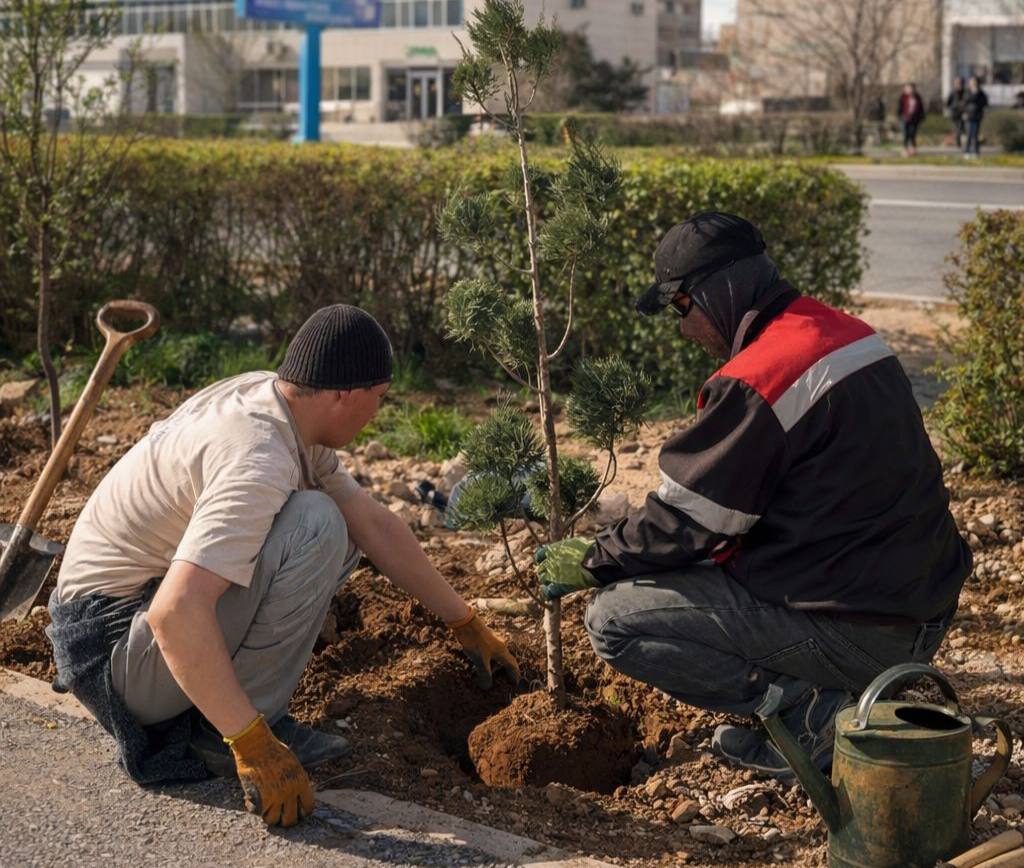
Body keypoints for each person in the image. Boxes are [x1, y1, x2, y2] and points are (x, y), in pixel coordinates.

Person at [46, 304, 521, 827]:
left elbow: (373, 523)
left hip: (128, 621)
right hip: (112, 652)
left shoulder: (278, 404)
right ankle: (229, 732)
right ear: (345, 394)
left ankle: (232, 713)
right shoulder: (259, 458)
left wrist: (463, 619)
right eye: (379, 397)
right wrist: (250, 741)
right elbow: (174, 614)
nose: (377, 413)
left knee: (340, 525)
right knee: (315, 525)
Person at [534, 212, 971, 780]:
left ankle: (812, 719)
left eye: (681, 307)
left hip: (868, 633)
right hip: (922, 609)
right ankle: (836, 690)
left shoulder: (763, 378)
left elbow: (687, 523)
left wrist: (597, 559)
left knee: (615, 619)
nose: (684, 330)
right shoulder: (849, 334)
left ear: (719, 290)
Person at [962, 76, 989, 158]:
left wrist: (983, 112)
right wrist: (964, 113)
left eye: (974, 82)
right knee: (969, 134)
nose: (972, 83)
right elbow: (964, 103)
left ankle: (976, 151)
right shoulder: (967, 92)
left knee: (975, 135)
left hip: (977, 116)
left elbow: (985, 103)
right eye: (971, 82)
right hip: (969, 116)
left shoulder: (981, 93)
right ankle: (967, 151)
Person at [897, 82, 926, 156]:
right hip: (905, 118)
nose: (909, 90)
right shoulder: (902, 97)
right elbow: (899, 109)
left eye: (911, 88)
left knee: (912, 134)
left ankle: (913, 149)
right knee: (905, 134)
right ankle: (905, 149)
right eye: (907, 88)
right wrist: (900, 117)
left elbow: (921, 109)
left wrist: (922, 118)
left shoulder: (917, 97)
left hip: (915, 119)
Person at [946, 77, 966, 148]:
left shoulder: (965, 92)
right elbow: (948, 103)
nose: (959, 85)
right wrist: (952, 108)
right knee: (956, 128)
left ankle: (959, 141)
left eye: (960, 83)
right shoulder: (952, 92)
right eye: (957, 83)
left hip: (963, 113)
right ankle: (958, 142)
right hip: (954, 113)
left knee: (961, 128)